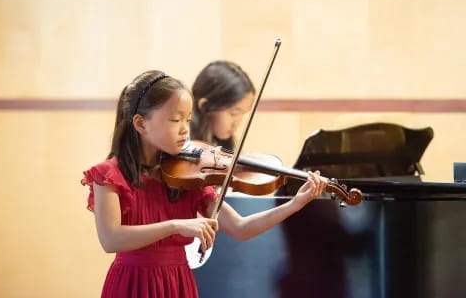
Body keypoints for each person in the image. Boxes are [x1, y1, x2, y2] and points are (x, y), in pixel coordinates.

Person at [81, 70, 327, 298]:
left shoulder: (187, 177)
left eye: (188, 120)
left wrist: (295, 204)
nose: (185, 130)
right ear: (141, 123)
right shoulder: (109, 175)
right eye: (175, 120)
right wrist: (177, 225)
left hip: (178, 284)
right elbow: (111, 239)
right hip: (131, 285)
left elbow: (240, 228)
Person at [190, 61, 255, 151]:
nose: (237, 124)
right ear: (205, 105)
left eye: (243, 113)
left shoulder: (227, 149)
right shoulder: (180, 146)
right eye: (234, 113)